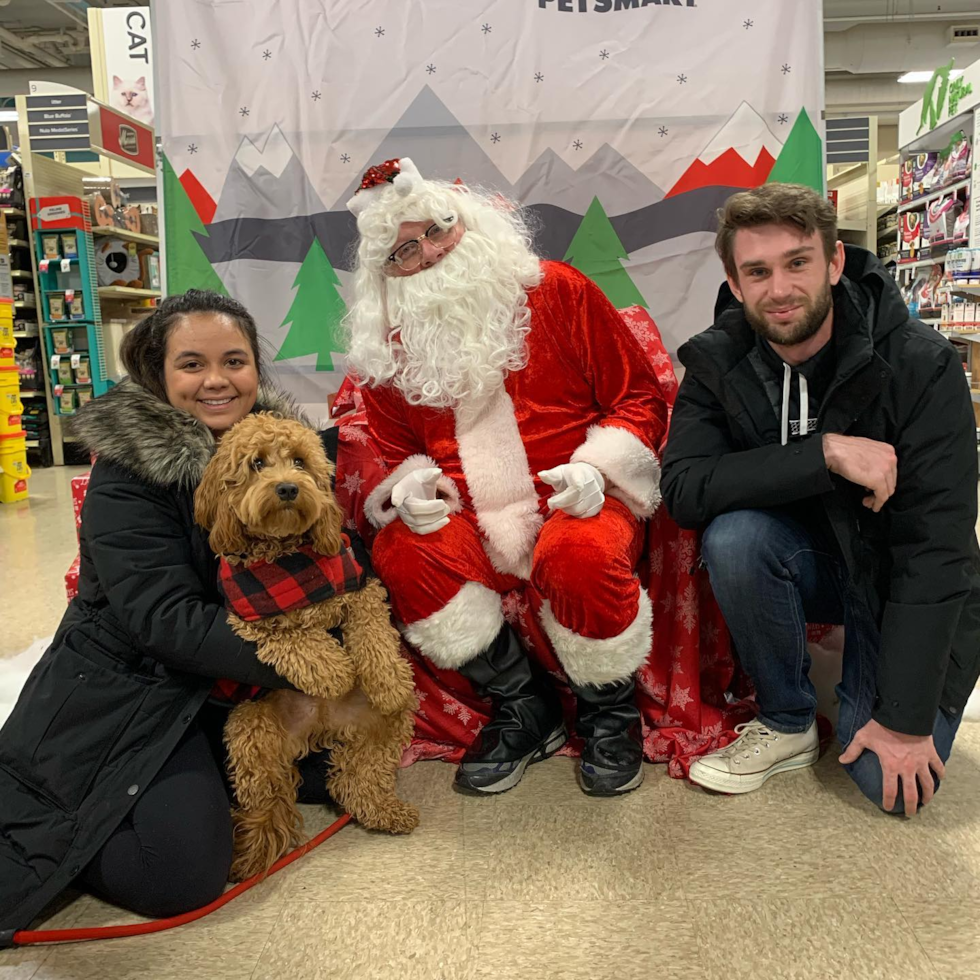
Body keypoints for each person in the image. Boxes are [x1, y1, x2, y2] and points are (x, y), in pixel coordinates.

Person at [0, 290, 352, 935]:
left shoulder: (280, 452)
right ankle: (84, 829)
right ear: (158, 374)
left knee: (333, 771)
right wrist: (307, 665)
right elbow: (164, 621)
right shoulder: (128, 476)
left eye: (235, 361)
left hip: (233, 679)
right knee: (176, 876)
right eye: (192, 364)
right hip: (136, 685)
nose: (217, 380)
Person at [343, 157, 668, 797]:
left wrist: (597, 469)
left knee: (580, 551)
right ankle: (523, 705)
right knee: (405, 554)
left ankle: (608, 714)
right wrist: (412, 483)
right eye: (405, 250)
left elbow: (638, 397)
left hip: (575, 494)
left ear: (469, 220)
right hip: (467, 513)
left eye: (438, 229)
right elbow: (392, 443)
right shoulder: (391, 342)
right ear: (386, 273)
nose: (431, 254)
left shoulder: (559, 291)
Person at [660, 182, 980, 815]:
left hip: (896, 576)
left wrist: (905, 720)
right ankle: (787, 717)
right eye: (758, 271)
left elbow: (938, 548)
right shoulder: (717, 362)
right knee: (736, 536)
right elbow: (685, 489)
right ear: (735, 282)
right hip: (804, 559)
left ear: (835, 263)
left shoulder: (922, 364)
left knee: (885, 787)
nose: (779, 289)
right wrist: (825, 452)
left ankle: (862, 670)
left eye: (797, 263)